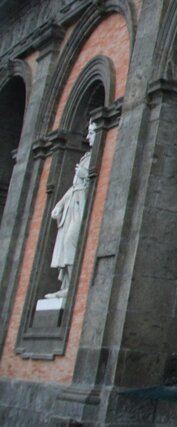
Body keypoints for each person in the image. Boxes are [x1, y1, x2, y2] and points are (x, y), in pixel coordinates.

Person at [45, 121, 95, 299]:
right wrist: (59, 204)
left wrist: (85, 175)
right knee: (65, 244)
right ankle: (66, 285)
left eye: (91, 132)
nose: (88, 136)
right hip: (73, 203)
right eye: (88, 132)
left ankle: (73, 285)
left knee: (70, 241)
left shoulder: (98, 155)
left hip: (82, 203)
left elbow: (93, 182)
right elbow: (74, 186)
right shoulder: (86, 157)